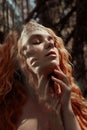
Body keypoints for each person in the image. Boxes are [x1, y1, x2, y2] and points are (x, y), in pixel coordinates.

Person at [0, 20, 87, 130]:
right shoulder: (7, 112)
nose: (50, 44)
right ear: (19, 58)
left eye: (54, 43)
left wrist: (67, 108)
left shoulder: (70, 103)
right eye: (36, 41)